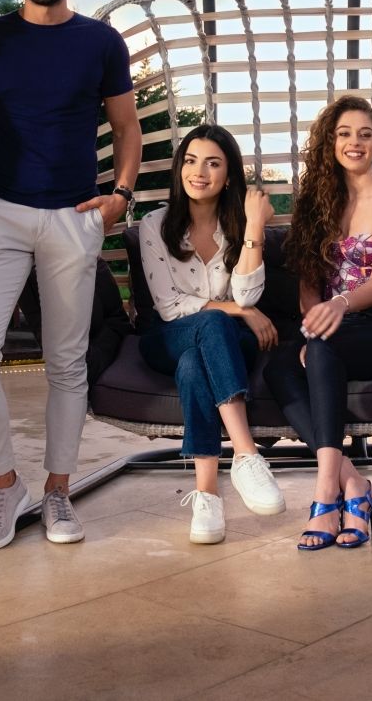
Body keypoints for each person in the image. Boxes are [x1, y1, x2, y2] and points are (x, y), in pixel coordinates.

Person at [0, 0, 143, 552]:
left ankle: (58, 491)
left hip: (74, 217)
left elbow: (127, 128)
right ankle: (5, 488)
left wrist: (119, 195)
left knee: (65, 362)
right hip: (0, 213)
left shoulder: (100, 42)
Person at [265, 96, 372, 550]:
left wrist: (339, 306)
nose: (355, 142)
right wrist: (315, 321)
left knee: (323, 349)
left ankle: (325, 495)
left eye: (365, 134)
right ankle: (355, 485)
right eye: (344, 133)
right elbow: (309, 286)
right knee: (279, 366)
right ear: (330, 142)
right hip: (330, 328)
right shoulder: (316, 204)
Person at [137, 125, 286, 543]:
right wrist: (239, 311)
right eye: (190, 161)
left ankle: (207, 497)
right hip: (168, 337)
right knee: (211, 325)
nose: (199, 172)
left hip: (227, 344)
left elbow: (247, 292)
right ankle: (245, 453)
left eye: (212, 163)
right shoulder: (154, 225)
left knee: (193, 366)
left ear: (228, 174)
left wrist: (254, 226)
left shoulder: (237, 226)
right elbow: (169, 306)